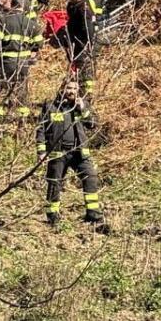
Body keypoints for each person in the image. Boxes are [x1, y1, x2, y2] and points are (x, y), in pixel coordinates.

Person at [36, 81, 104, 229]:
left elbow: (92, 124)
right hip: (58, 153)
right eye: (68, 88)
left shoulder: (82, 105)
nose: (71, 91)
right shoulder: (51, 106)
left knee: (90, 176)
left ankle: (93, 215)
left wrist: (83, 109)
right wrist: (41, 151)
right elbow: (40, 128)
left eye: (74, 88)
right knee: (54, 183)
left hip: (79, 152)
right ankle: (53, 217)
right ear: (62, 88)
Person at [0, 0, 40, 119]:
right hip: (23, 63)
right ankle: (22, 121)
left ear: (12, 5)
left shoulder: (3, 21)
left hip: (6, 62)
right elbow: (38, 42)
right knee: (22, 92)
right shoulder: (31, 24)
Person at [62, 0, 98, 112]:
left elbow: (88, 31)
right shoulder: (74, 7)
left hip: (83, 48)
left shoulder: (84, 9)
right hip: (76, 46)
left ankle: (86, 101)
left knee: (85, 76)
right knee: (77, 74)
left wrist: (83, 47)